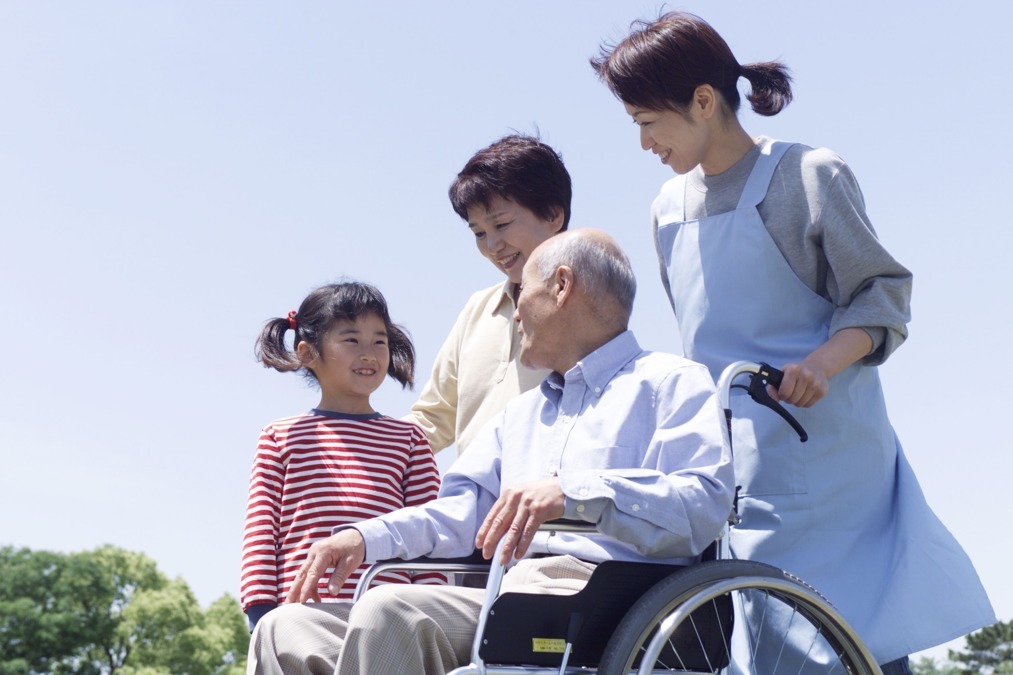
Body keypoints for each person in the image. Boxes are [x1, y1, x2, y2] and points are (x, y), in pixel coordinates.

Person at [590, 12, 995, 672]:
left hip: (825, 451)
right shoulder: (667, 208)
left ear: (701, 101)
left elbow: (880, 294)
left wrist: (819, 363)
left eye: (645, 122)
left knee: (848, 633)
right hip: (732, 457)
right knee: (763, 639)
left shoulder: (806, 176)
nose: (643, 143)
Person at [246, 229, 735, 675]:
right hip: (508, 598)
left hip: (603, 600)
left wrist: (575, 494)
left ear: (561, 287)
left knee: (388, 610)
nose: (515, 313)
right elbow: (454, 516)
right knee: (285, 627)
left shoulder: (671, 382)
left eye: (523, 294)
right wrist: (361, 537)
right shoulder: (519, 416)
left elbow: (704, 503)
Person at [240, 282, 442, 631]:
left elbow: (430, 534)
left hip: (390, 624)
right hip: (301, 619)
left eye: (379, 341)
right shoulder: (279, 436)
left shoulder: (409, 439)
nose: (369, 353)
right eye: (352, 340)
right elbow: (261, 534)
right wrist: (262, 616)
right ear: (308, 353)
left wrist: (431, 613)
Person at [406, 134, 570, 456]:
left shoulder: (589, 302)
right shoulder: (478, 309)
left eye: (502, 224)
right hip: (474, 504)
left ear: (553, 215)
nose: (493, 246)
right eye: (479, 233)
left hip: (552, 502)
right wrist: (354, 442)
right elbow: (433, 418)